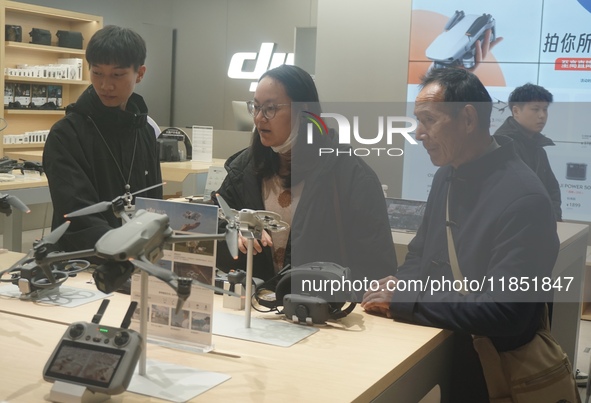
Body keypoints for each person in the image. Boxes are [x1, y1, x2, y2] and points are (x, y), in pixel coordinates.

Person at [361, 68, 560, 401]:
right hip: (437, 351)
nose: (419, 133)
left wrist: (408, 301)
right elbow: (420, 251)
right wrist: (402, 288)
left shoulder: (525, 198)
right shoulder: (448, 175)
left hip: (491, 372)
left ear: (468, 118)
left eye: (428, 120)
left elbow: (505, 312)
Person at [214, 64, 397, 285]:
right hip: (254, 307)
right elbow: (214, 224)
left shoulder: (350, 174)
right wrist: (233, 231)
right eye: (256, 107)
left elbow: (377, 266)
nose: (259, 118)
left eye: (270, 108)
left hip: (321, 310)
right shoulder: (244, 169)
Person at [43, 25, 162, 252]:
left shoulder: (145, 131)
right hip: (82, 262)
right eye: (97, 73)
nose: (105, 85)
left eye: (117, 75)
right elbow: (76, 213)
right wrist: (121, 248)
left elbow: (154, 204)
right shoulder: (66, 134)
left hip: (138, 260)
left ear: (140, 73)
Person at [494, 83, 562, 221]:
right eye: (535, 109)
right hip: (515, 230)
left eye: (545, 109)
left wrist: (554, 220)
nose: (542, 115)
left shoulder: (537, 147)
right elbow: (508, 196)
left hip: (539, 227)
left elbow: (552, 189)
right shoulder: (503, 145)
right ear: (516, 111)